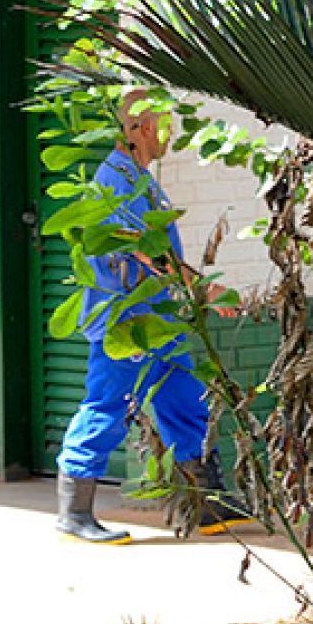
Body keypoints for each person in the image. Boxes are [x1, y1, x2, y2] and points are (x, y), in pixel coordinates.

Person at [54, 92, 251, 544]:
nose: (171, 135)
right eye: (164, 125)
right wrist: (205, 290)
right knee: (109, 407)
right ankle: (74, 511)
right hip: (126, 323)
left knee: (185, 402)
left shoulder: (141, 177)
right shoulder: (115, 181)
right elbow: (147, 253)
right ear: (140, 127)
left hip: (160, 321)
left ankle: (208, 503)